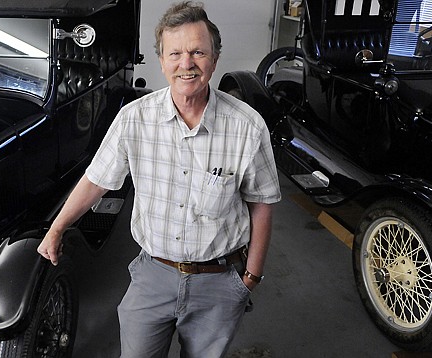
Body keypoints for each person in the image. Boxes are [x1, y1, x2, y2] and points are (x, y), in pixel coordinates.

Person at [37, 1, 281, 357]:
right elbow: (97, 180)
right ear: (162, 60)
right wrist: (56, 228)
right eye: (176, 53)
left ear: (214, 58)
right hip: (152, 276)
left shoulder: (246, 127)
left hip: (219, 281)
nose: (187, 63)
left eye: (198, 52)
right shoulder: (134, 119)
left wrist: (250, 279)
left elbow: (261, 204)